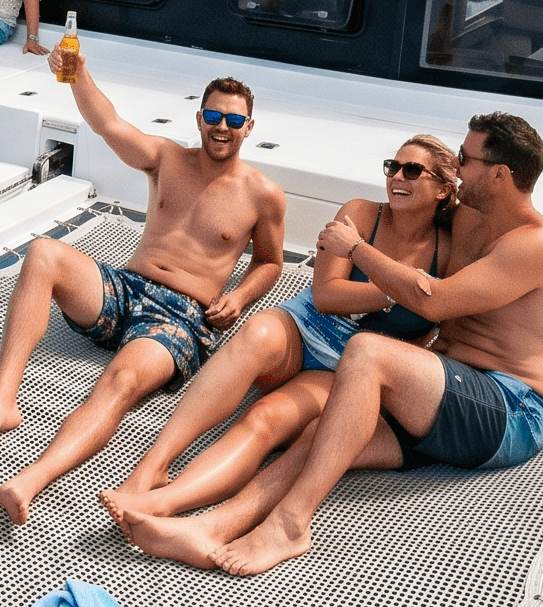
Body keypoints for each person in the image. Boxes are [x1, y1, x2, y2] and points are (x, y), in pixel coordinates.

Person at [112, 112, 543, 574]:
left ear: (499, 175)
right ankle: (204, 524)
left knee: (368, 351)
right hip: (442, 394)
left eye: (466, 159)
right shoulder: (467, 217)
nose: (459, 165)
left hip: (508, 407)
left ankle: (291, 524)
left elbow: (435, 301)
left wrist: (356, 249)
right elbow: (407, 227)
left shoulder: (536, 244)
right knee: (326, 433)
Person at [0, 56, 286, 524]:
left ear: (249, 127)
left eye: (234, 120)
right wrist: (76, 73)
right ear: (199, 118)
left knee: (122, 383)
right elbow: (108, 124)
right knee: (44, 253)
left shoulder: (263, 194)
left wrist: (240, 296)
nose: (222, 127)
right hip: (125, 288)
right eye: (213, 116)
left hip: (180, 318)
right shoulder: (167, 158)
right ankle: (1, 402)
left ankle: (31, 480)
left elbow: (270, 262)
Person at [100, 136, 452, 530]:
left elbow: (442, 319)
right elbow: (327, 296)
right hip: (304, 326)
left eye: (412, 170)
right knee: (255, 333)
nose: (397, 177)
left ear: (442, 189)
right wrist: (402, 289)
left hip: (349, 364)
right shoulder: (361, 214)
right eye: (393, 166)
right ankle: (152, 467)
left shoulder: (448, 251)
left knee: (265, 419)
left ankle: (166, 503)